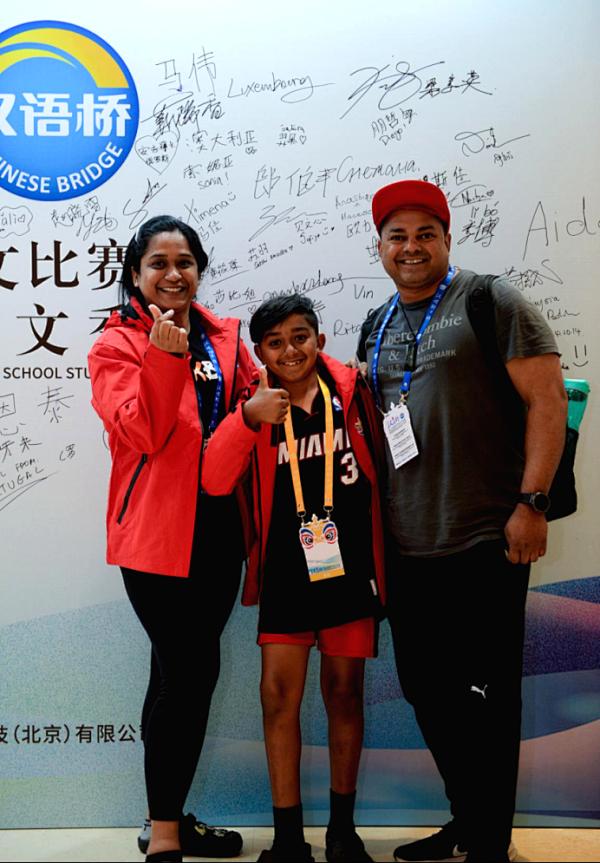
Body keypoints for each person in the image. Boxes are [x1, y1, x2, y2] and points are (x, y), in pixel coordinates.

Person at [356, 180, 568, 863]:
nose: (411, 247)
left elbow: (546, 400)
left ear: (447, 239)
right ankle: (470, 820)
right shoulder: (375, 325)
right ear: (380, 247)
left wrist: (531, 504)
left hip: (486, 535)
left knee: (487, 696)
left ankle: (489, 844)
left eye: (425, 233)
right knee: (425, 688)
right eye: (397, 236)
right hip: (406, 544)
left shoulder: (489, 300)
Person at [88, 215, 255, 863]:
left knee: (173, 674)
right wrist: (162, 356)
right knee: (190, 672)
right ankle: (164, 835)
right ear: (135, 273)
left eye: (184, 262)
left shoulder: (225, 338)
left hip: (220, 531)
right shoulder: (115, 346)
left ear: (199, 270)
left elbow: (251, 411)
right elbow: (145, 433)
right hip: (156, 536)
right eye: (158, 262)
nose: (173, 273)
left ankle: (167, 817)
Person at [202, 295, 387, 863]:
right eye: (275, 342)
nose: (290, 350)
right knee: (278, 698)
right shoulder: (254, 404)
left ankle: (342, 833)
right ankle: (287, 840)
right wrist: (245, 417)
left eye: (300, 336)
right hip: (285, 573)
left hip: (349, 572)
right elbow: (214, 479)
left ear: (320, 340)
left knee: (344, 695)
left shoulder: (353, 391)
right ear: (259, 353)